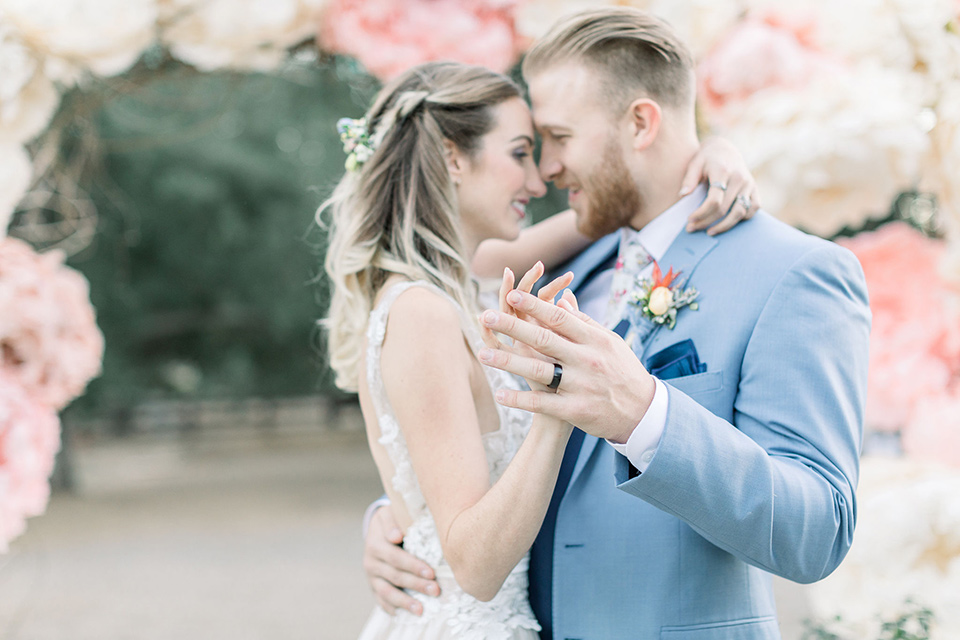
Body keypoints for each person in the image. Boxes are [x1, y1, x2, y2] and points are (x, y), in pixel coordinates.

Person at [363, 8, 871, 640]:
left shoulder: (795, 274)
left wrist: (646, 415)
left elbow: (818, 530)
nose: (546, 168)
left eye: (559, 137)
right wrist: (397, 513)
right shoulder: (558, 260)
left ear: (639, 123)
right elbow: (465, 432)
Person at [324, 60, 757, 637]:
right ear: (453, 157)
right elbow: (473, 566)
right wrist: (556, 403)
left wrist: (710, 156)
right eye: (521, 152)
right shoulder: (421, 311)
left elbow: (601, 217)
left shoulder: (468, 277)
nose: (538, 180)